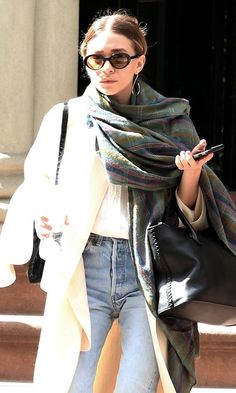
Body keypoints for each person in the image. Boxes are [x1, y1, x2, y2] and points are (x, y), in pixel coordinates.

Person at [0, 8, 236, 393]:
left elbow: (189, 210)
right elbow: (38, 182)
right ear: (86, 61)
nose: (106, 68)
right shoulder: (66, 118)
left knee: (137, 384)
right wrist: (44, 215)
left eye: (119, 58)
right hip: (83, 263)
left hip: (145, 266)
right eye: (96, 59)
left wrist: (190, 175)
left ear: (139, 61)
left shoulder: (170, 121)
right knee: (72, 382)